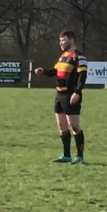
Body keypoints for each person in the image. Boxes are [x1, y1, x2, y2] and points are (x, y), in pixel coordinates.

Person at [35, 31, 88, 164]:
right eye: (60, 41)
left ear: (72, 40)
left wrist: (77, 92)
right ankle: (66, 155)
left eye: (63, 40)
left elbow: (82, 76)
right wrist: (44, 72)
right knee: (62, 126)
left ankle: (80, 156)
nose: (61, 43)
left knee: (74, 126)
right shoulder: (63, 56)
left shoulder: (78, 56)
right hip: (59, 94)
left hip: (71, 94)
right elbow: (56, 72)